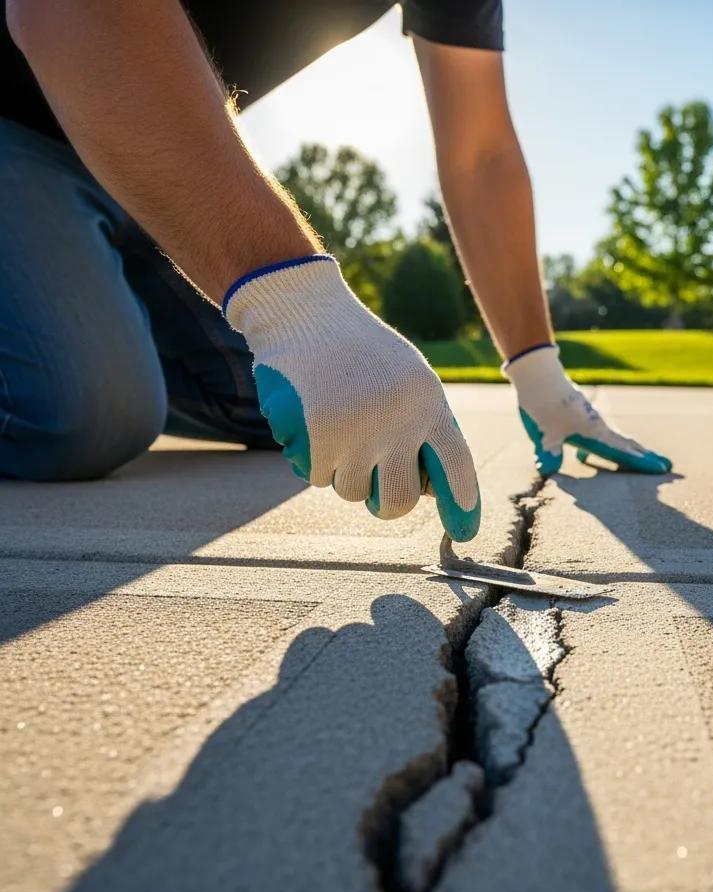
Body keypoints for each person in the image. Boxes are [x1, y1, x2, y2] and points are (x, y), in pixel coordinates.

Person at [1, 0, 670, 541]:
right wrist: (291, 299)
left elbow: (481, 156)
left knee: (293, 402)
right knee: (84, 416)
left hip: (153, 165)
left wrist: (542, 379)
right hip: (24, 130)